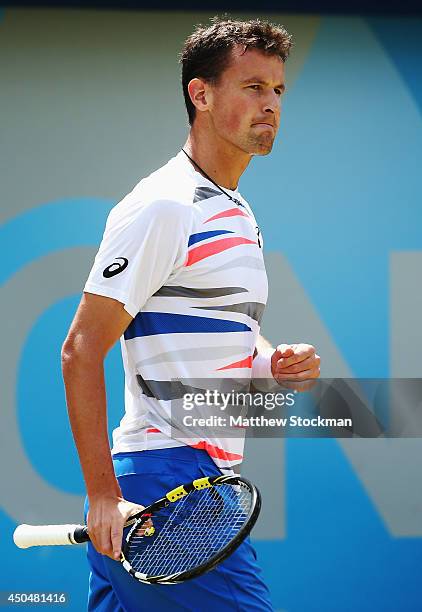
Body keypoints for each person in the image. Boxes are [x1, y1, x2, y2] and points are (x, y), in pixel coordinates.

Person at [62, 17, 320, 611]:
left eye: (278, 90)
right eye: (252, 87)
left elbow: (210, 335)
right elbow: (80, 349)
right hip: (168, 486)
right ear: (200, 95)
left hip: (183, 480)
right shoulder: (166, 205)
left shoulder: (236, 211)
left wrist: (270, 362)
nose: (271, 104)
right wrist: (104, 496)